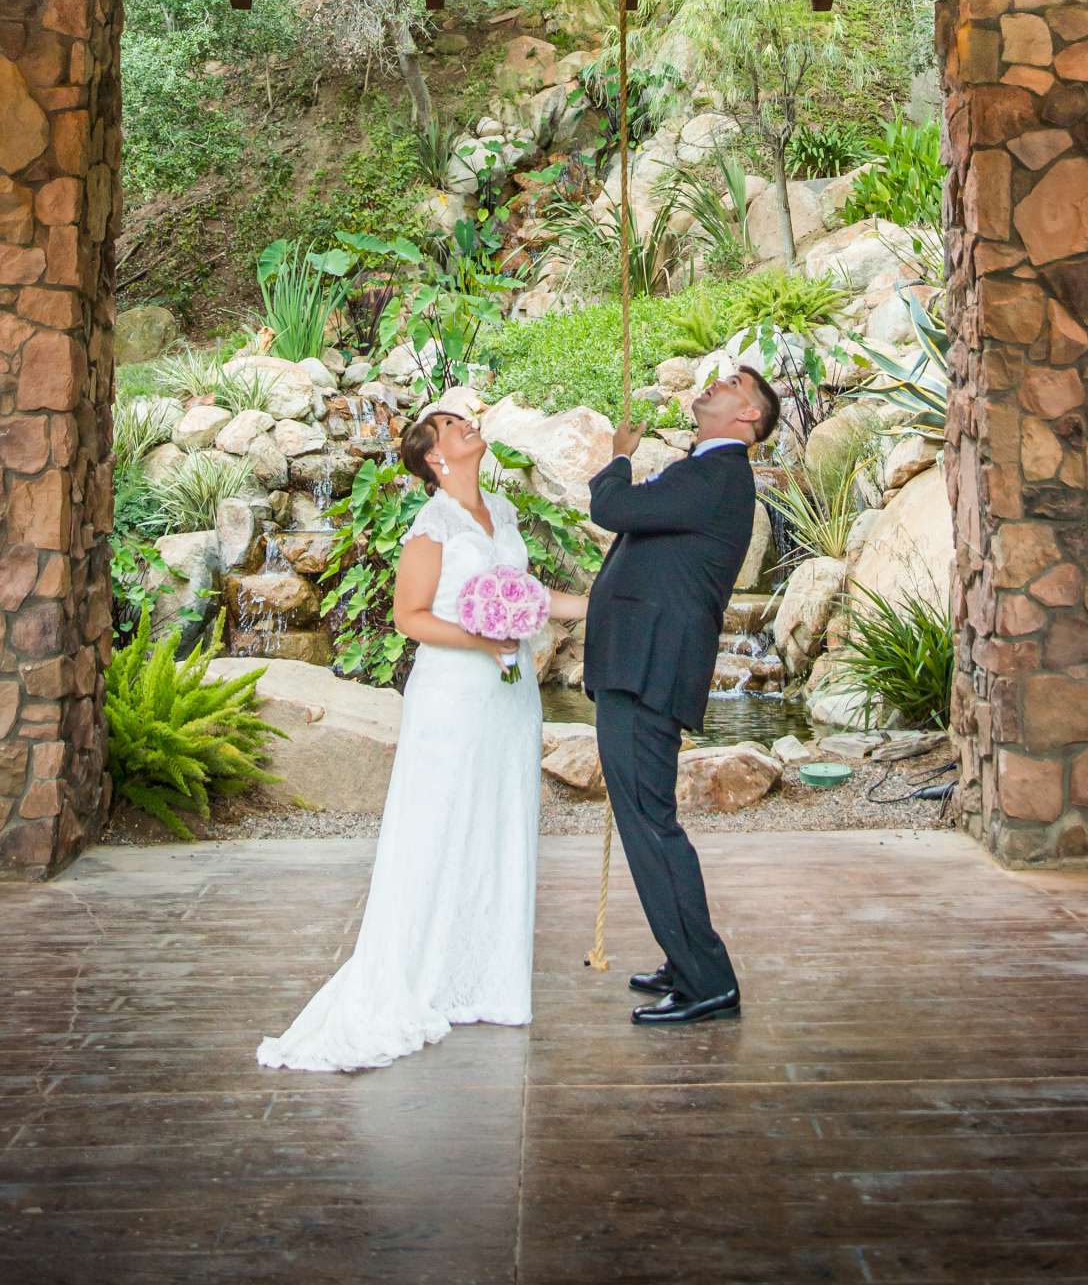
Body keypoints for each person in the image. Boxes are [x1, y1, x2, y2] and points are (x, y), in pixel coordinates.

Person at [256, 405, 588, 1074]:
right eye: (453, 425)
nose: (469, 426)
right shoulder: (431, 525)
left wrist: (607, 599)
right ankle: (423, 976)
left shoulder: (502, 509)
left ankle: (486, 981)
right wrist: (482, 639)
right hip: (455, 695)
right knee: (439, 825)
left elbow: (526, 592)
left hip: (511, 693)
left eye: (467, 420)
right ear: (435, 457)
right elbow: (411, 618)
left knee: (499, 823)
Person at [583, 365, 780, 1027]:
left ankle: (707, 980)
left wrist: (617, 459)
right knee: (650, 819)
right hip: (641, 664)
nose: (713, 385)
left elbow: (611, 509)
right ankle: (684, 955)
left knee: (649, 825)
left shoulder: (716, 475)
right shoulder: (702, 472)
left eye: (731, 386)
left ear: (748, 418)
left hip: (648, 669)